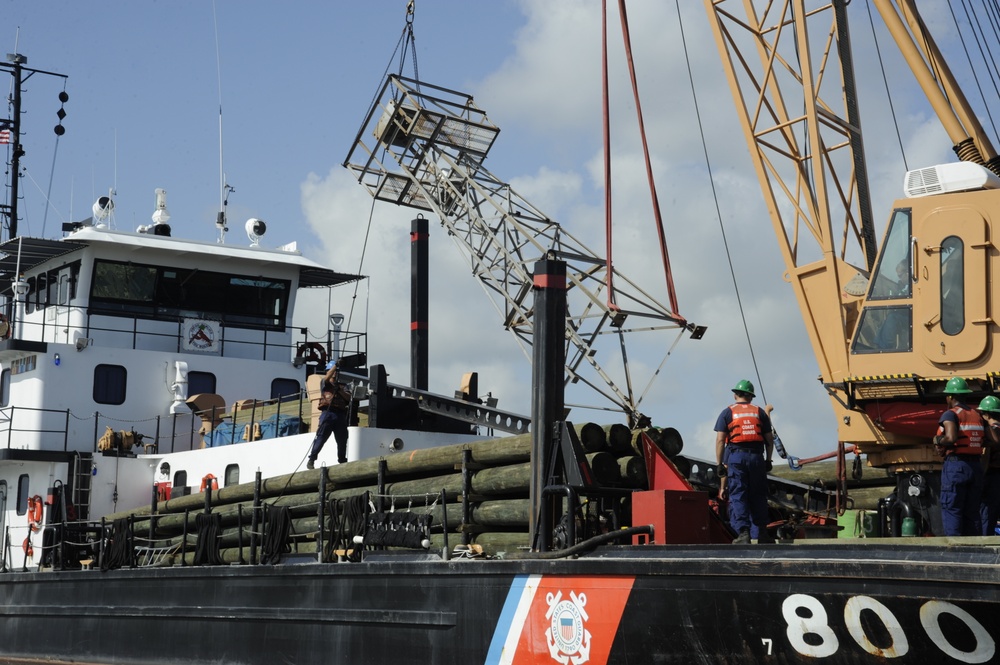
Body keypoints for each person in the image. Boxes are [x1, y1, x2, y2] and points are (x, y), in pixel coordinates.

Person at [715, 379, 775, 544]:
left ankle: (743, 534)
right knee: (759, 495)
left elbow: (720, 441)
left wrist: (719, 464)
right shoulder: (760, 412)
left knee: (738, 494)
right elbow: (769, 440)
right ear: (751, 397)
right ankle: (762, 533)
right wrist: (768, 460)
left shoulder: (727, 412)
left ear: (736, 395)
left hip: (736, 457)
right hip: (756, 457)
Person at [933, 377, 985, 536]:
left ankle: (955, 551)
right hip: (975, 467)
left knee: (952, 509)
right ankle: (975, 552)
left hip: (956, 466)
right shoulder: (976, 415)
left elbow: (951, 438)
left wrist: (936, 440)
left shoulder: (950, 414)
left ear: (950, 397)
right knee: (972, 512)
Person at [306, 360, 352, 470]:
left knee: (342, 439)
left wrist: (339, 390)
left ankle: (342, 460)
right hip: (328, 413)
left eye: (336, 371)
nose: (335, 373)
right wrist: (335, 365)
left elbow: (349, 398)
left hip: (340, 415)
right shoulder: (324, 383)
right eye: (333, 371)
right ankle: (312, 459)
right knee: (321, 437)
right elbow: (327, 377)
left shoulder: (343, 386)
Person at [978, 395, 1000, 536]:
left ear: (986, 415)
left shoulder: (991, 432)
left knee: (986, 511)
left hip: (991, 475)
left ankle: (984, 541)